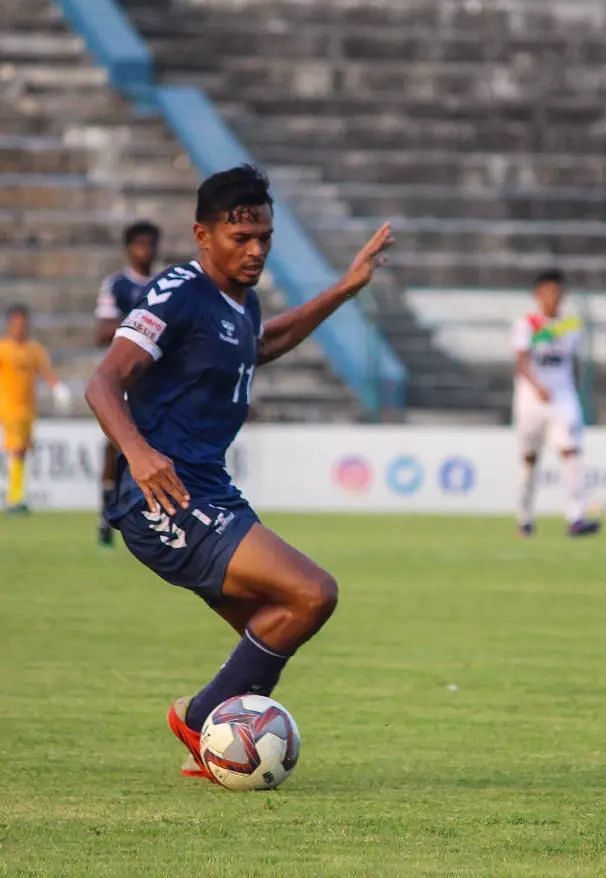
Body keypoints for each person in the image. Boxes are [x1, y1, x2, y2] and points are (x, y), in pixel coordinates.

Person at [85, 164, 394, 781]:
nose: (255, 251)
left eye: (265, 239)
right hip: (166, 497)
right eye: (240, 238)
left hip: (210, 489)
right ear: (203, 235)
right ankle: (202, 723)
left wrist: (343, 290)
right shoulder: (179, 292)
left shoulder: (241, 302)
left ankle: (215, 740)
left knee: (276, 622)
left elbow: (263, 344)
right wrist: (140, 455)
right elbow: (103, 381)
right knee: (312, 592)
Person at [512, 269, 601, 537]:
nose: (554, 297)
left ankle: (576, 518)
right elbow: (521, 359)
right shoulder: (527, 323)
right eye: (549, 291)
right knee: (530, 460)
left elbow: (571, 360)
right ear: (538, 294)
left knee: (571, 452)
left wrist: (573, 391)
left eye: (559, 292)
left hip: (562, 397)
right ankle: (524, 518)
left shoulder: (571, 325)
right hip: (531, 399)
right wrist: (537, 386)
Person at [94, 221, 161, 546]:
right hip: (125, 376)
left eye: (150, 245)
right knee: (114, 445)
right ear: (129, 248)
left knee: (159, 444)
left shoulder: (165, 285)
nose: (146, 251)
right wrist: (142, 325)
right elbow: (101, 331)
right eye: (140, 245)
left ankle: (158, 517)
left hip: (157, 382)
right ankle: (105, 513)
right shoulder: (117, 284)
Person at [0, 305, 71, 513]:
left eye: (23, 324)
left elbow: (46, 371)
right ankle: (14, 499)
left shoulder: (34, 349)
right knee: (16, 449)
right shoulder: (3, 348)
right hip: (8, 407)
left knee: (21, 453)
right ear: (9, 324)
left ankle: (17, 496)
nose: (20, 328)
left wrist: (58, 388)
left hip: (28, 409)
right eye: (16, 324)